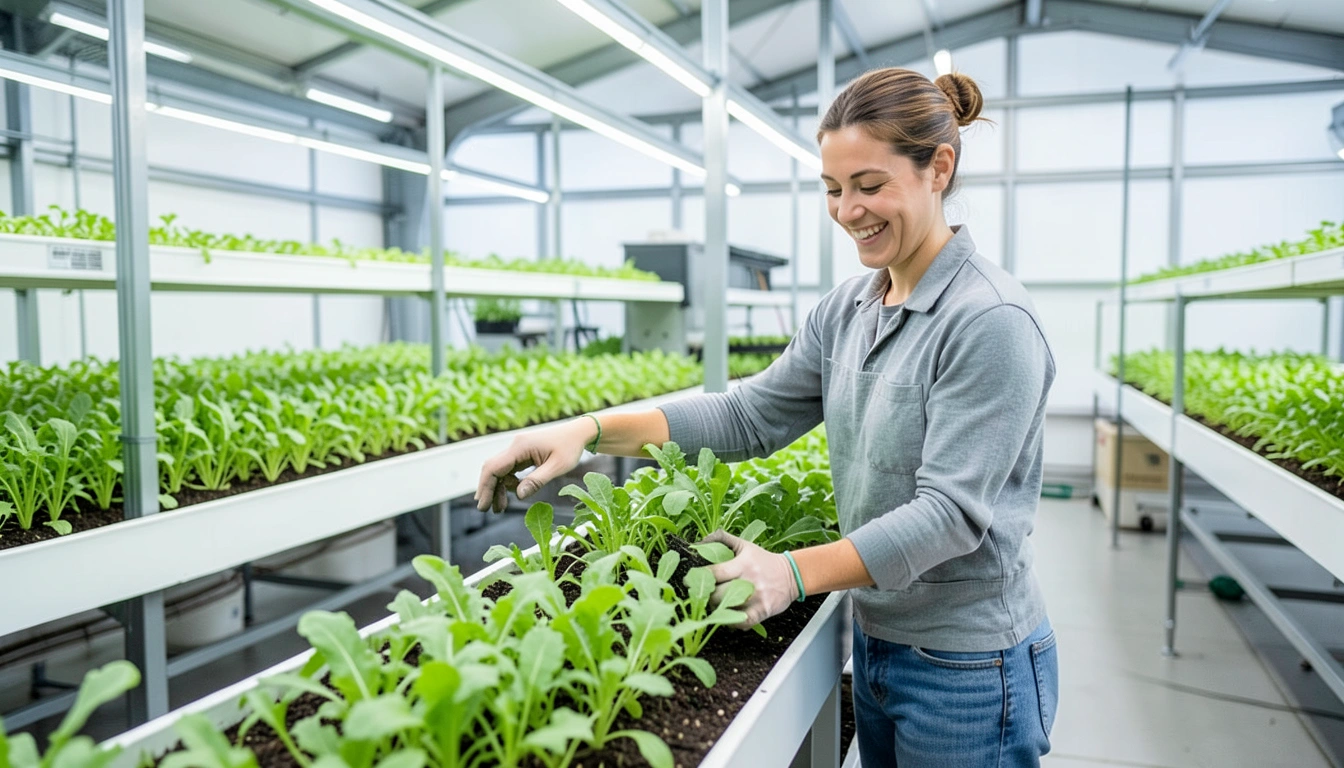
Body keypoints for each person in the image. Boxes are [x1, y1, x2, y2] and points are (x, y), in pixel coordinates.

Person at [475, 67, 1058, 768]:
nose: (848, 211)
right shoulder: (850, 309)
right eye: (833, 190)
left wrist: (790, 572)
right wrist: (590, 432)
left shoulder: (989, 321)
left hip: (968, 667)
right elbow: (748, 415)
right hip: (879, 634)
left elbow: (950, 514)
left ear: (939, 168)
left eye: (869, 186)